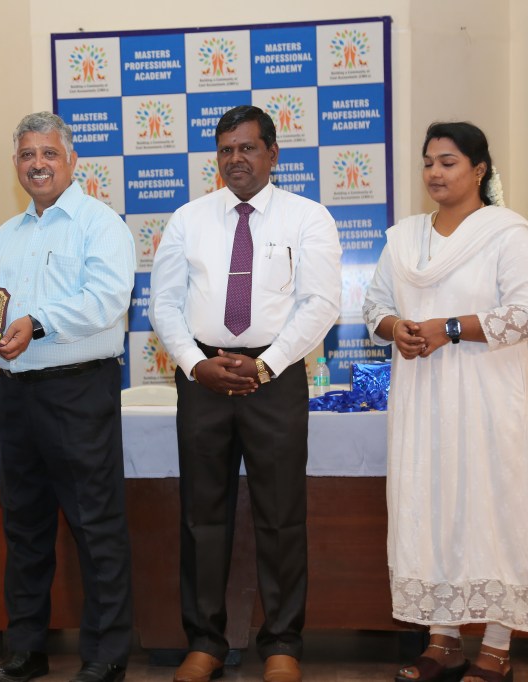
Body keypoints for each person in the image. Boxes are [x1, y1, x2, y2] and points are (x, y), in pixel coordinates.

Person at [362, 122, 528, 682]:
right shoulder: (405, 239)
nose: (434, 172)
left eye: (448, 162)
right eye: (428, 162)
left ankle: (496, 648)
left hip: (490, 399)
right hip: (423, 399)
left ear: (479, 170)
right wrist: (397, 328)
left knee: (493, 512)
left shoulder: (509, 235)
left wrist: (449, 327)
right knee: (431, 509)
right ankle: (442, 641)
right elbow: (374, 305)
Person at [150, 105, 341, 682]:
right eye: (226, 149)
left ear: (273, 153)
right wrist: (194, 364)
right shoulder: (188, 219)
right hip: (203, 378)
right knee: (201, 515)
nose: (236, 158)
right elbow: (164, 303)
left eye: (248, 147)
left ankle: (282, 642)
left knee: (281, 515)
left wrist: (267, 365)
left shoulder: (308, 217)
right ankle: (205, 642)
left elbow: (321, 304)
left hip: (275, 379)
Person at [0, 111, 135, 682]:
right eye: (26, 155)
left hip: (78, 391)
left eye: (48, 153)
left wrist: (36, 322)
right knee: (24, 526)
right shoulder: (7, 233)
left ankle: (106, 654)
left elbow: (106, 299)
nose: (37, 164)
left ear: (71, 160)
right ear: (15, 163)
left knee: (96, 525)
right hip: (15, 393)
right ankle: (25, 649)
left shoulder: (100, 224)